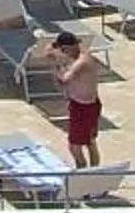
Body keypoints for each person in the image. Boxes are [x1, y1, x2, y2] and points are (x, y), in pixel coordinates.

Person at [32, 31, 106, 167]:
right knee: (90, 142)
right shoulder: (78, 56)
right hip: (83, 105)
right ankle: (93, 172)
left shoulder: (81, 62)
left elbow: (64, 80)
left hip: (85, 108)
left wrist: (53, 63)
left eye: (63, 50)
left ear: (67, 48)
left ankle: (84, 174)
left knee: (75, 147)